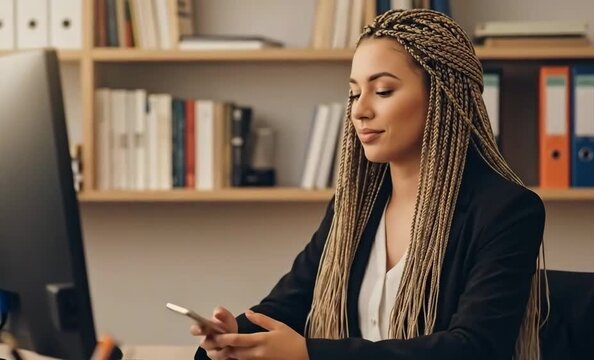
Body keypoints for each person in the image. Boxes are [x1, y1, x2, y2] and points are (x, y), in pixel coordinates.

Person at [192, 9, 546, 360]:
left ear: (441, 97)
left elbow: (474, 349)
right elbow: (286, 307)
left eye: (383, 90)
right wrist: (232, 338)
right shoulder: (354, 207)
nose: (360, 110)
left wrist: (310, 354)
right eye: (353, 93)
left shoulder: (507, 211)